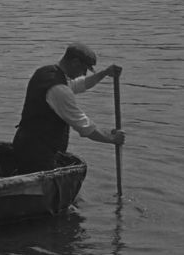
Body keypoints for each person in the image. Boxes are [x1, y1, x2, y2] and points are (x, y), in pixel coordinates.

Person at [12, 42, 126, 174]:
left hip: (24, 143)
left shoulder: (45, 72)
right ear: (75, 62)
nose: (84, 73)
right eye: (84, 69)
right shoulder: (59, 90)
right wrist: (112, 139)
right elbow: (84, 127)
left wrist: (104, 73)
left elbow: (79, 85)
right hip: (38, 154)